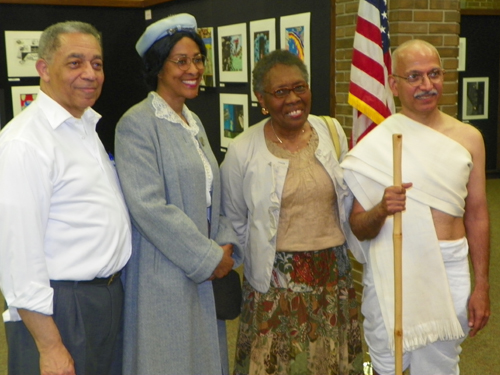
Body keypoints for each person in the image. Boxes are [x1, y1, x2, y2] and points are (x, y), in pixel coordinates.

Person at [341, 39, 490, 375]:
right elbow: (359, 227)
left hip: (448, 265)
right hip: (392, 268)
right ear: (394, 84)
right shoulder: (378, 146)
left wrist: (482, 284)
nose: (427, 85)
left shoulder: (469, 139)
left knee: (440, 363)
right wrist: (381, 209)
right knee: (387, 363)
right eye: (415, 77)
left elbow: (478, 213)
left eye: (434, 74)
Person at [0, 21, 132, 375]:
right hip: (60, 309)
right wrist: (50, 346)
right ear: (43, 69)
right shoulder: (25, 143)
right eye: (75, 63)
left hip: (105, 298)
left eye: (97, 63)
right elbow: (18, 259)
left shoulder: (85, 127)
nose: (90, 74)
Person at [114, 13, 242, 375]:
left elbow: (211, 194)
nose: (194, 69)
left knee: (201, 360)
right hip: (162, 272)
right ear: (157, 66)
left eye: (198, 60)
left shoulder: (193, 120)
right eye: (181, 60)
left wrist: (225, 243)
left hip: (203, 266)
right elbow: (149, 207)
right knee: (167, 360)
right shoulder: (136, 125)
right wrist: (209, 257)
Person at [221, 50, 363, 375]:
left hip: (331, 277)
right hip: (274, 284)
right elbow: (234, 219)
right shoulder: (243, 149)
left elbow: (348, 200)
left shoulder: (331, 132)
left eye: (300, 87)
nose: (293, 99)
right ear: (262, 99)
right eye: (280, 92)